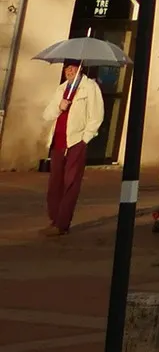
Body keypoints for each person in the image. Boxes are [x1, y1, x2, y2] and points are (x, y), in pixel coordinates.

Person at [42, 60, 105, 235]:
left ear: (80, 69)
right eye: (67, 68)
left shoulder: (89, 87)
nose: (69, 71)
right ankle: (54, 219)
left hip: (76, 142)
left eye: (73, 68)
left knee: (70, 182)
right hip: (58, 143)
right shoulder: (62, 89)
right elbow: (47, 114)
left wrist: (85, 139)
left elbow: (96, 116)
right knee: (55, 183)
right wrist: (59, 106)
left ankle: (62, 224)